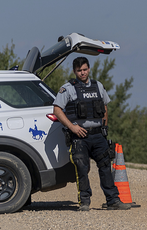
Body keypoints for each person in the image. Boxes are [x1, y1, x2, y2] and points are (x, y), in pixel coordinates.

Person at [53, 57, 130, 211]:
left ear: (89, 69)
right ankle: (85, 202)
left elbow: (105, 106)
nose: (82, 73)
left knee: (105, 167)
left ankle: (113, 201)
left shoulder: (98, 86)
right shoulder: (68, 88)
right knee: (82, 167)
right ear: (74, 71)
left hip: (98, 135)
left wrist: (104, 126)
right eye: (79, 70)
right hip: (80, 137)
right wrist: (72, 128)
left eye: (85, 69)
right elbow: (56, 109)